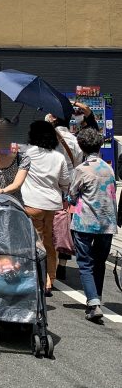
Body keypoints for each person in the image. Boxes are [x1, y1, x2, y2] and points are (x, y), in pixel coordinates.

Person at [68, 128, 117, 323]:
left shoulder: (81, 169)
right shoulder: (108, 168)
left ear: (81, 146)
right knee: (99, 262)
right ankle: (96, 298)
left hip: (85, 222)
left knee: (85, 263)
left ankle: (93, 302)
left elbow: (72, 197)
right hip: (107, 223)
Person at [21, 120, 72, 295]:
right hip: (52, 205)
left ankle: (36, 278)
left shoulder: (27, 153)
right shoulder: (58, 157)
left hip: (31, 203)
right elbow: (66, 182)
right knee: (49, 242)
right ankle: (50, 279)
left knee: (33, 242)